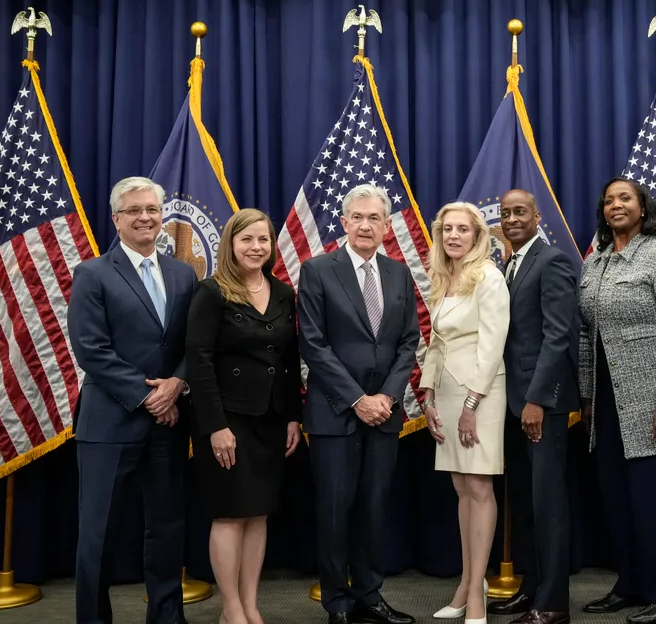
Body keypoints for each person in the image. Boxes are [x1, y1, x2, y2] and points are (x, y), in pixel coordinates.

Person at [69, 176, 198, 624]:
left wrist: (177, 384)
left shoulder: (183, 274)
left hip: (168, 424)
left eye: (152, 209)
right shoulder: (92, 274)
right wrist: (149, 397)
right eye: (135, 211)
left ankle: (167, 618)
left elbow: (192, 345)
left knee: (166, 530)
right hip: (110, 423)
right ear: (117, 219)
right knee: (98, 534)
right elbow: (91, 349)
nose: (145, 217)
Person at [578, 177, 656, 624]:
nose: (616, 205)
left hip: (653, 402)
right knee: (616, 499)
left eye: (624, 198)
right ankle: (630, 584)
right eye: (609, 199)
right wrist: (589, 397)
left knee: (650, 502)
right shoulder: (595, 263)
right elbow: (586, 335)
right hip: (608, 405)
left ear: (642, 207)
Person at [298, 183, 420, 624]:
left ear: (387, 226)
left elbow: (409, 342)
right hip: (335, 413)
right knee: (334, 509)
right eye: (358, 217)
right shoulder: (317, 270)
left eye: (375, 218)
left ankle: (370, 595)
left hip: (385, 413)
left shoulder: (398, 273)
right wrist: (356, 399)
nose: (366, 225)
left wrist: (385, 397)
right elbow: (313, 344)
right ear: (344, 222)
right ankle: (338, 602)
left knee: (374, 508)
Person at [185, 208, 302, 624]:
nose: (256, 248)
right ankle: (231, 608)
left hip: (270, 419)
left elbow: (289, 360)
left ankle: (251, 603)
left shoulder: (284, 292)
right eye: (247, 240)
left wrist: (292, 416)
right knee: (230, 513)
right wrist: (216, 426)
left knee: (258, 513)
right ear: (230, 244)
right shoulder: (211, 292)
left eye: (263, 241)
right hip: (226, 420)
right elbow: (198, 362)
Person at [485, 190, 579, 624]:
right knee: (524, 502)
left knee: (548, 505)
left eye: (520, 211)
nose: (511, 218)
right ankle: (531, 589)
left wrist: (537, 400)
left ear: (537, 216)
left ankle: (553, 603)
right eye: (505, 213)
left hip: (541, 404)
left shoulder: (552, 260)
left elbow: (559, 336)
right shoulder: (508, 264)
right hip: (511, 403)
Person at [420, 202, 511, 624]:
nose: (454, 236)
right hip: (449, 393)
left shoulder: (488, 278)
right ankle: (465, 582)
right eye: (447, 229)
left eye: (463, 229)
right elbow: (436, 344)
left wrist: (472, 404)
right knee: (461, 487)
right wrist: (428, 394)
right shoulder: (444, 278)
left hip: (482, 391)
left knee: (479, 487)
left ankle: (476, 593)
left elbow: (493, 346)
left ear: (477, 236)